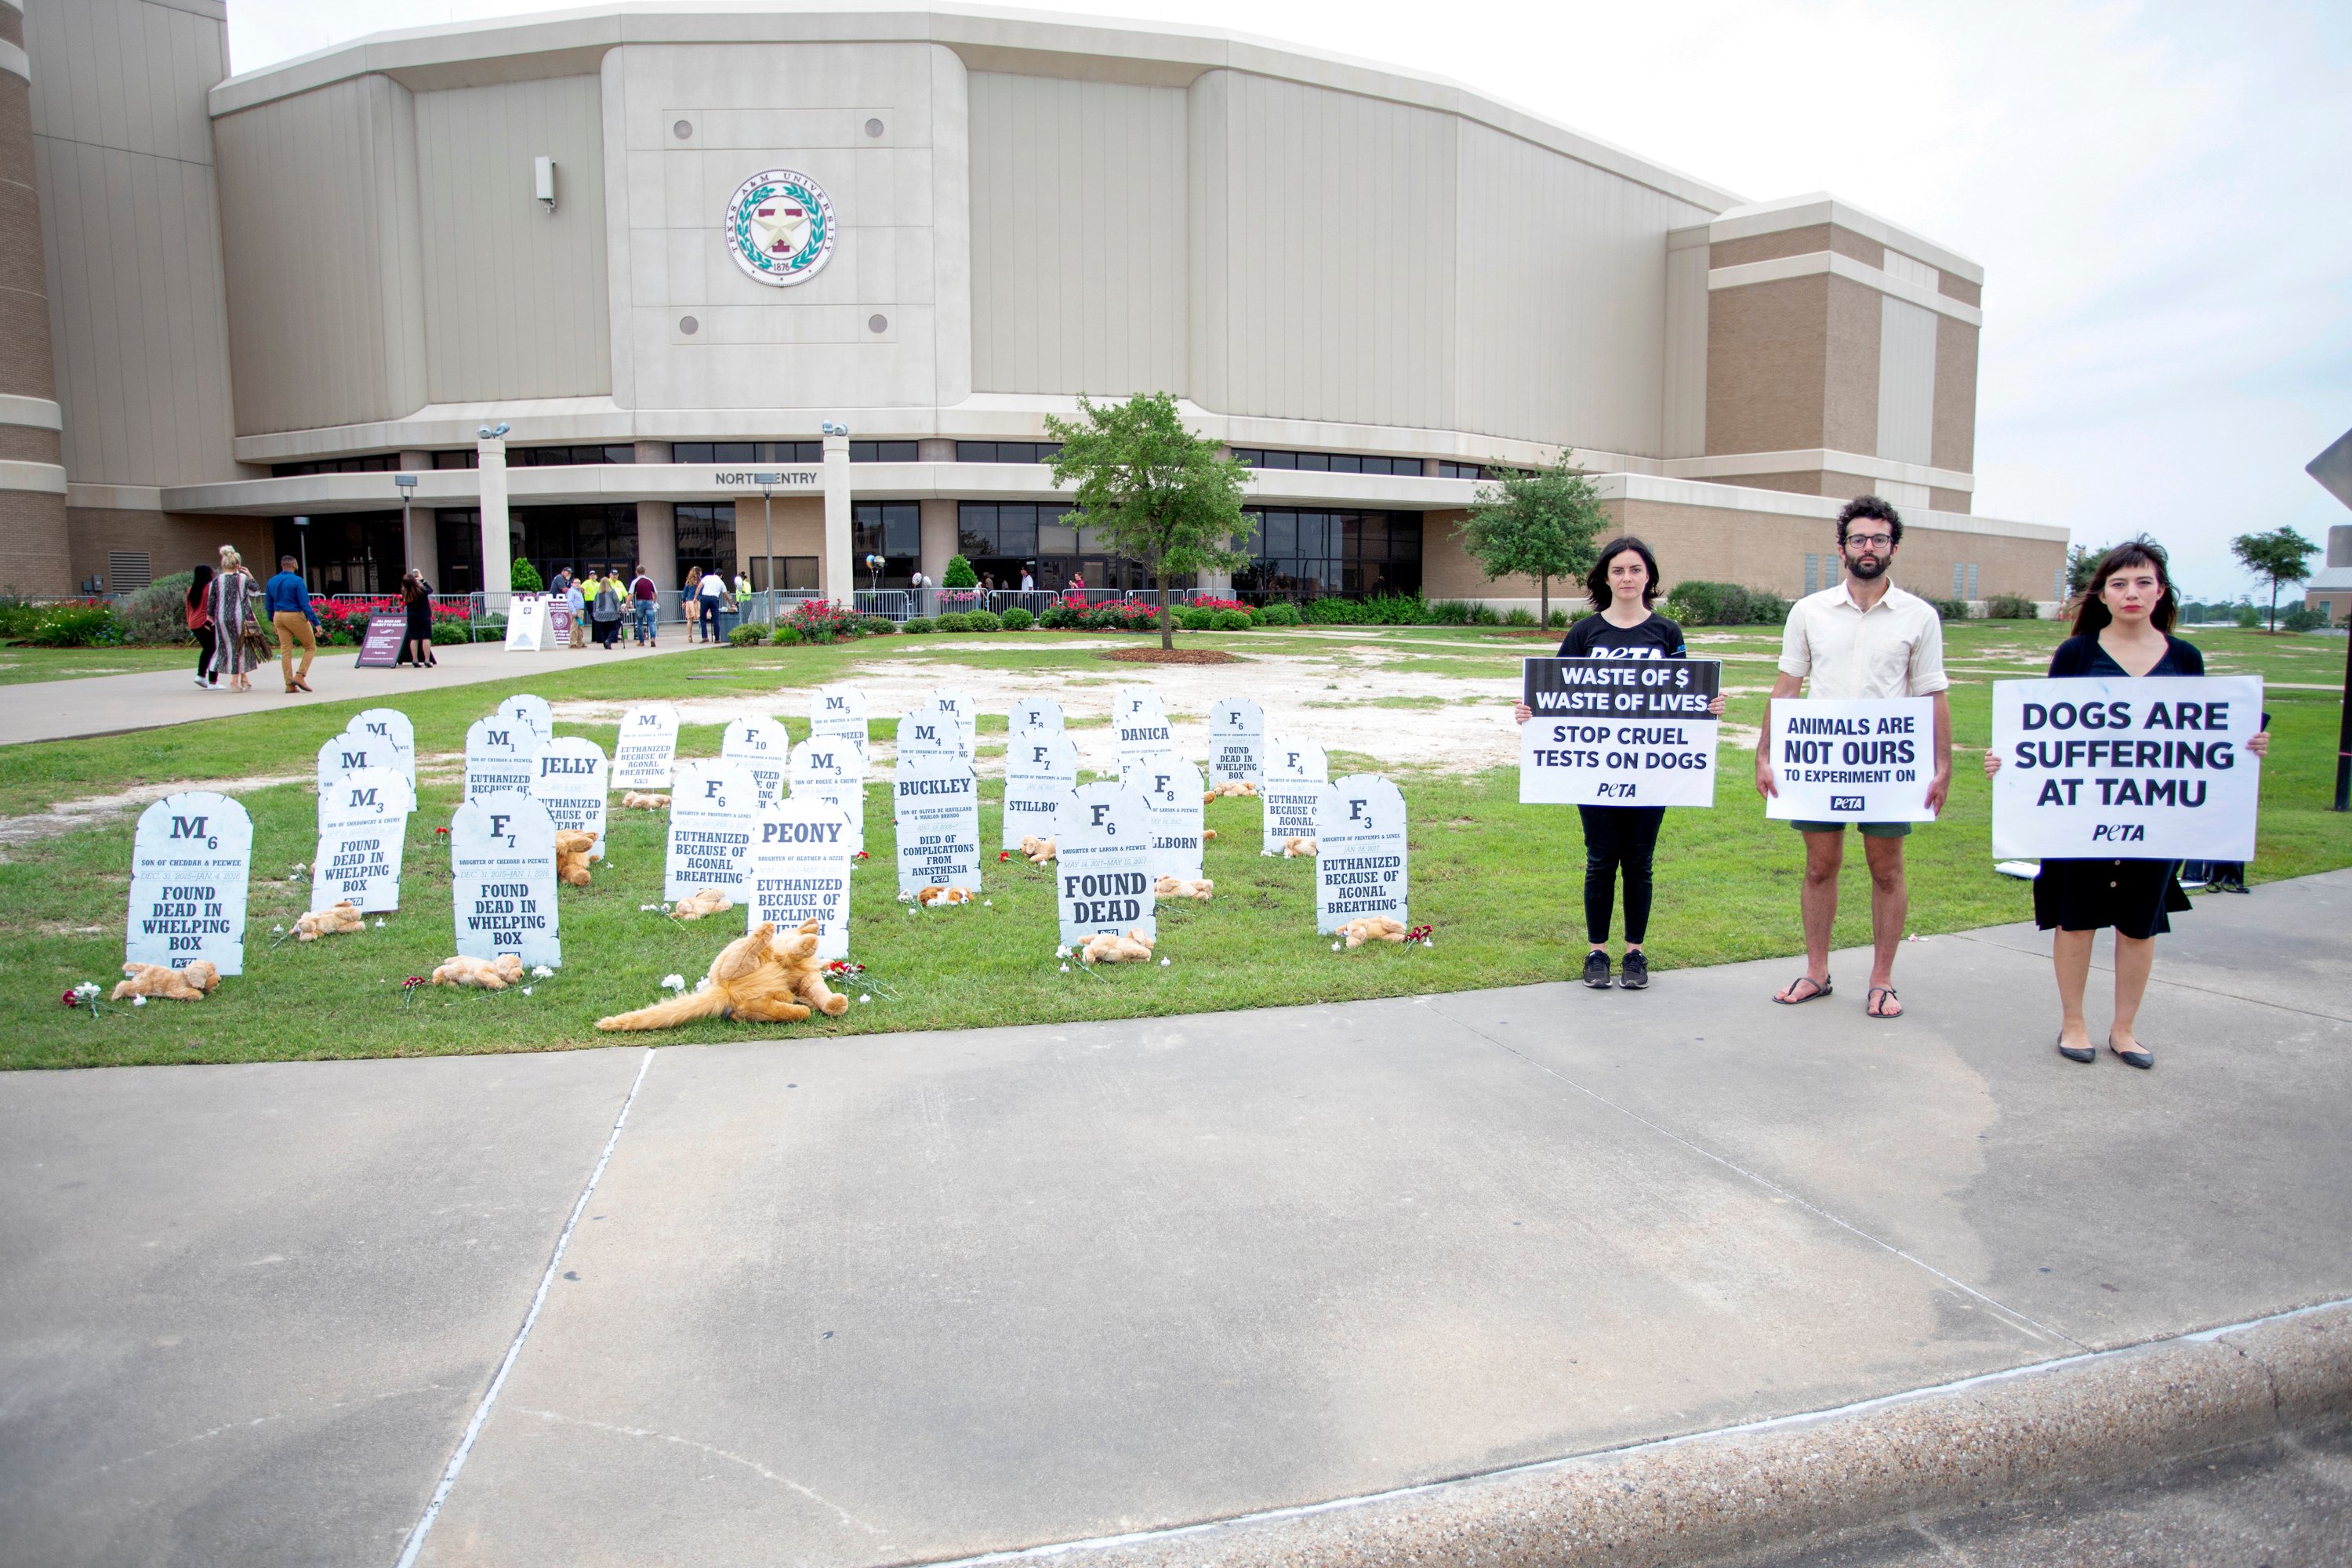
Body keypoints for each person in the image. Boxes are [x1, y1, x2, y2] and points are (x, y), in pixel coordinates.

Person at [1984, 537, 2268, 1069]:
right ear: (2104, 595)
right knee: (2077, 919)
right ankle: (2074, 1023)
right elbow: (2044, 734)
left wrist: (2246, 743)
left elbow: (2202, 740)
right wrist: (2010, 761)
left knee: (2140, 923)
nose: (2131, 593)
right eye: (2120, 584)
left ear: (2160, 592)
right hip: (2081, 819)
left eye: (2143, 583)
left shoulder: (2185, 658)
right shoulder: (2078, 655)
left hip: (2155, 819)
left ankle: (2125, 1029)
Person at [1755, 495, 1951, 1018]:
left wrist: (1943, 766)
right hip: (1821, 762)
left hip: (1890, 765)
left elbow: (1933, 693)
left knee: (1887, 869)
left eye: (1879, 539)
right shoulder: (1809, 612)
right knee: (1820, 866)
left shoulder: (1919, 617)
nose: (1869, 547)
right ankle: (1816, 972)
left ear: (1894, 547)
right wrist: (1764, 753)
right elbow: (1788, 685)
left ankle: (1882, 980)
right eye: (1859, 538)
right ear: (1842, 547)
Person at [1512, 536, 1726, 990]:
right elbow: (1555, 694)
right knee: (1600, 858)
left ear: (1648, 576)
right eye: (1618, 570)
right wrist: (1530, 712)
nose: (1627, 578)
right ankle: (1596, 952)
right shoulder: (1585, 633)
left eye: (1635, 570)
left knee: (1640, 861)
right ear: (1604, 577)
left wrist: (1710, 707)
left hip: (1651, 769)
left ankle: (1634, 954)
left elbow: (1686, 696)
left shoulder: (1667, 634)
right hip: (1595, 769)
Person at [206, 546, 260, 692]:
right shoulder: (242, 579)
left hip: (222, 617)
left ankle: (244, 678)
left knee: (229, 645)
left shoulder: (216, 581)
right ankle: (235, 680)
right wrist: (250, 575)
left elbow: (212, 600)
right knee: (240, 646)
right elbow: (255, 591)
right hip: (240, 617)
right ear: (238, 565)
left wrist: (210, 616)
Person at [264, 554, 320, 693]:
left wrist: (273, 621)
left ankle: (289, 684)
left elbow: (268, 605)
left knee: (285, 650)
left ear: (282, 565)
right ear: (294, 565)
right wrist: (316, 623)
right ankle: (300, 675)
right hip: (294, 615)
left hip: (278, 616)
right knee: (310, 646)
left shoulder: (272, 581)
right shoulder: (298, 581)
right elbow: (305, 604)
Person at [185, 564, 216, 688]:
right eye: (212, 573)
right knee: (214, 650)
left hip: (194, 623)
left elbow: (188, 609)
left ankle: (202, 676)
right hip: (205, 623)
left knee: (209, 649)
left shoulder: (191, 589)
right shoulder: (209, 588)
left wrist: (189, 623)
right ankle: (211, 680)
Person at [400, 569, 438, 668]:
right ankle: (426, 660)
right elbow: (430, 590)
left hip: (412, 616)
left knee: (414, 638)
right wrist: (422, 579)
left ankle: (415, 659)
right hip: (424, 615)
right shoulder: (421, 590)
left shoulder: (405, 591)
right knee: (426, 637)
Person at [590, 568, 625, 649]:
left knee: (604, 630)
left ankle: (607, 643)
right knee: (614, 629)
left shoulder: (597, 594)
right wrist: (619, 611)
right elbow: (616, 602)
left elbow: (594, 604)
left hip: (600, 614)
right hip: (611, 613)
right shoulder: (612, 592)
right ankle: (609, 641)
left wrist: (595, 613)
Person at [697, 563, 728, 644]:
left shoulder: (707, 577)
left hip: (705, 598)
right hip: (714, 599)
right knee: (715, 619)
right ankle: (717, 638)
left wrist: (695, 598)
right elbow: (726, 595)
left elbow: (699, 587)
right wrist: (731, 603)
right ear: (721, 575)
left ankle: (705, 637)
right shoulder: (721, 582)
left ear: (714, 573)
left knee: (703, 618)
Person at [630, 564, 659, 646]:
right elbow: (655, 593)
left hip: (640, 602)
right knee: (651, 622)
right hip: (649, 602)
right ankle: (653, 638)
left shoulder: (635, 582)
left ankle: (642, 641)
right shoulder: (650, 581)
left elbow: (631, 594)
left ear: (636, 572)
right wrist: (654, 601)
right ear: (644, 571)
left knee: (639, 622)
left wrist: (627, 604)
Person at [564, 572, 588, 648]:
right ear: (572, 584)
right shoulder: (571, 591)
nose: (577, 584)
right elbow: (570, 601)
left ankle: (579, 642)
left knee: (580, 627)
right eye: (576, 583)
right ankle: (573, 643)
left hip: (581, 610)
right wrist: (573, 611)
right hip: (575, 610)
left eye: (579, 583)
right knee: (574, 627)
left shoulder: (579, 591)